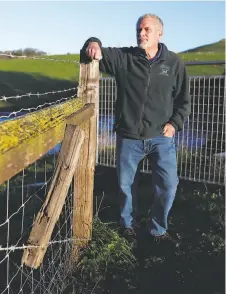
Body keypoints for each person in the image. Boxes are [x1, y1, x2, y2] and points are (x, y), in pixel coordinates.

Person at [81, 14, 191, 244]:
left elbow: (184, 101)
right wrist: (92, 42)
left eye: (146, 29)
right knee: (125, 185)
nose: (141, 33)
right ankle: (127, 225)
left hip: (162, 137)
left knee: (168, 186)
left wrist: (174, 124)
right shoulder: (125, 58)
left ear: (159, 33)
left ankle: (158, 229)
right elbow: (93, 47)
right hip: (129, 136)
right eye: (139, 29)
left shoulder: (174, 64)